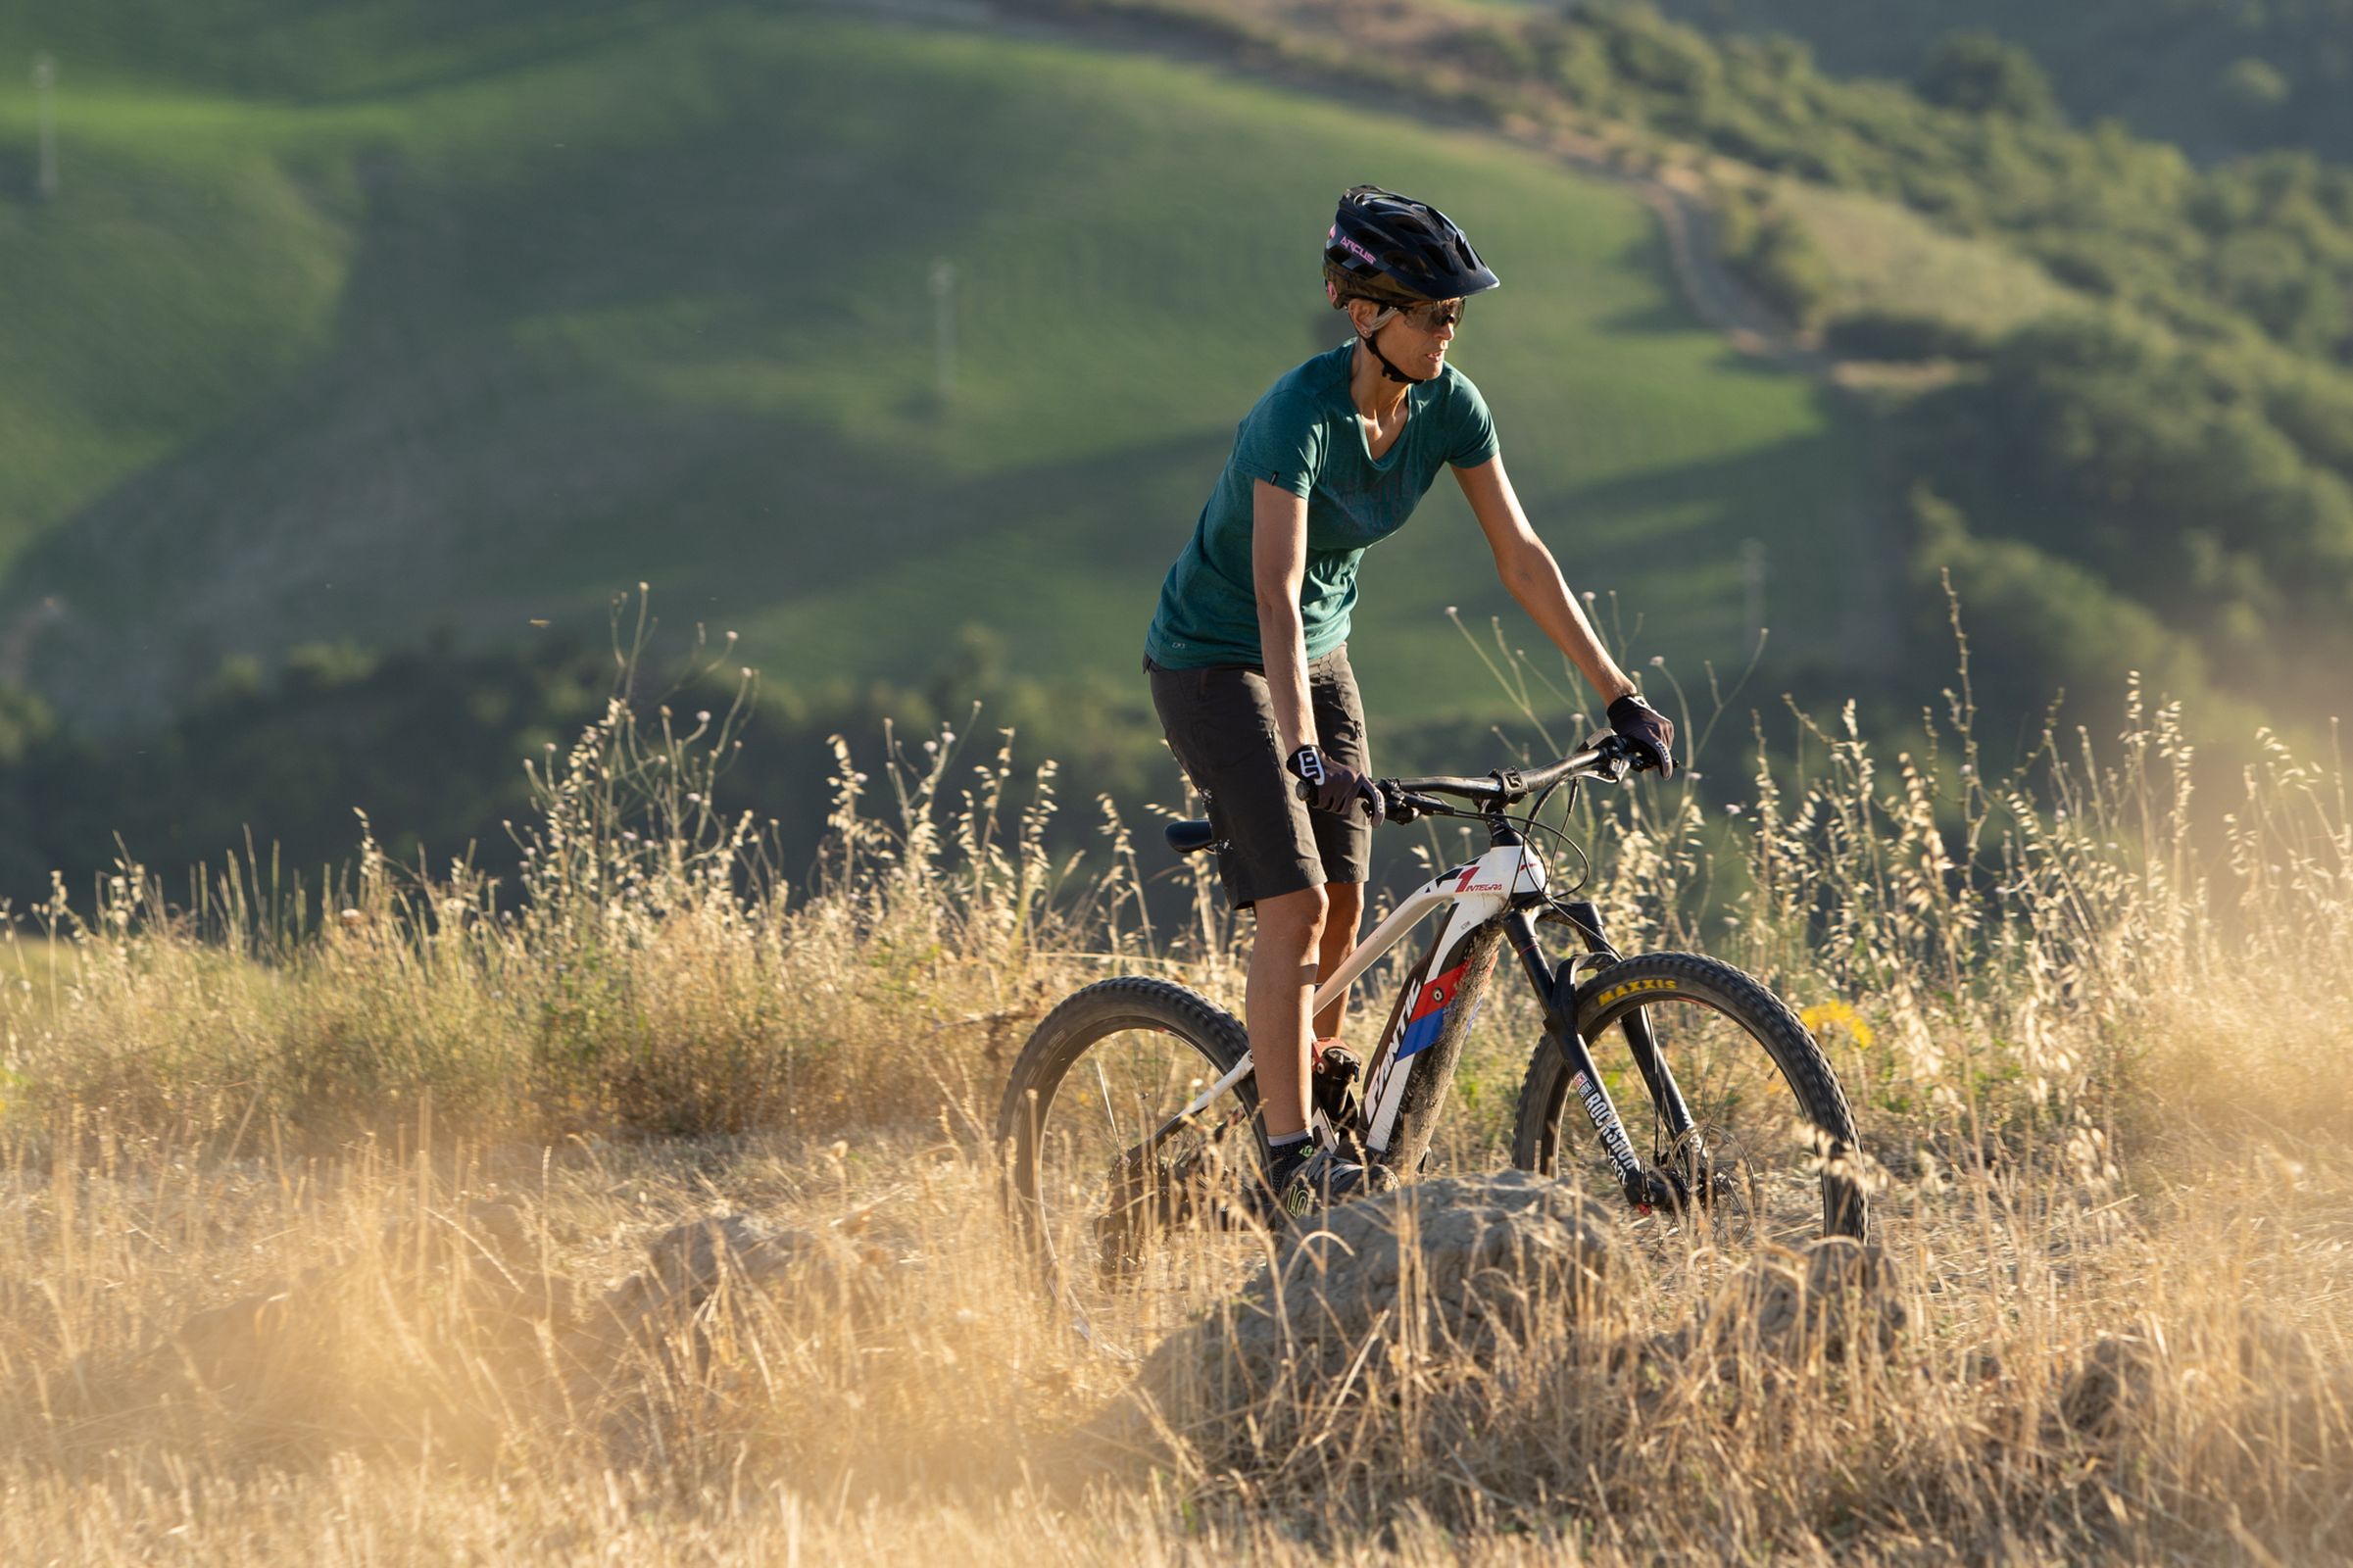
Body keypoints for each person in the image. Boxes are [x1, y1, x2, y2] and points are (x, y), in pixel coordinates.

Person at [1143, 185, 1674, 1216]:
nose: (1448, 329)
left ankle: (1314, 1083)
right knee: (1292, 904)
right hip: (1217, 658)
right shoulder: (1296, 418)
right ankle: (1290, 1156)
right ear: (1364, 314)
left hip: (1320, 652)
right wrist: (1300, 752)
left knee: (1346, 899)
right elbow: (1272, 597)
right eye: (1431, 311)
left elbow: (1520, 557)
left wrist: (1619, 694)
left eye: (1454, 312)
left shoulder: (1447, 404)